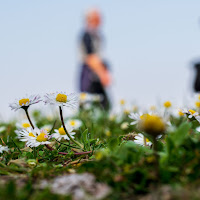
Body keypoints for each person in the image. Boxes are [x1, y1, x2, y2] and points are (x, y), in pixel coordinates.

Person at [79, 8, 111, 110]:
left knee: (103, 104)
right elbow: (91, 57)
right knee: (89, 104)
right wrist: (102, 74)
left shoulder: (97, 35)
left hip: (96, 73)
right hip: (90, 74)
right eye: (98, 18)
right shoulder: (87, 35)